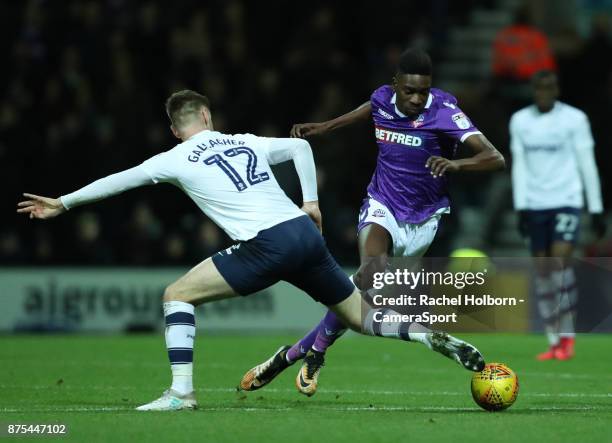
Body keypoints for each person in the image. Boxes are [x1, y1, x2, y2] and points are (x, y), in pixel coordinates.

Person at [17, 89, 485, 411]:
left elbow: (119, 181)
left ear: (177, 128)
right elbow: (301, 150)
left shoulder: (172, 157)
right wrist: (312, 203)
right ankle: (426, 336)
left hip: (267, 244)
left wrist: (64, 202)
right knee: (358, 316)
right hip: (303, 233)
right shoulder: (242, 140)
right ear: (206, 117)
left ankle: (181, 393)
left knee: (176, 296)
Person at [240, 49, 504, 397]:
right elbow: (369, 110)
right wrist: (326, 126)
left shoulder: (443, 111)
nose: (415, 98)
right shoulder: (382, 98)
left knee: (362, 294)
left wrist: (458, 165)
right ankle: (314, 353)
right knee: (371, 272)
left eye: (422, 91)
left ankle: (299, 352)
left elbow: (494, 157)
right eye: (409, 90)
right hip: (382, 205)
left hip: (424, 220)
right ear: (395, 85)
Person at [510, 70, 606, 361]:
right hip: (536, 203)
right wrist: (521, 205)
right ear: (533, 90)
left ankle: (568, 336)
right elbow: (520, 165)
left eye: (549, 88)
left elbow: (587, 162)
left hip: (566, 200)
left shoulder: (575, 120)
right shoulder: (520, 121)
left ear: (557, 89)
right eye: (539, 88)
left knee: (559, 263)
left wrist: (596, 207)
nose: (544, 94)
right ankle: (554, 339)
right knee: (542, 272)